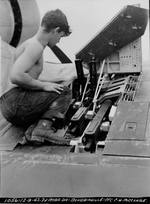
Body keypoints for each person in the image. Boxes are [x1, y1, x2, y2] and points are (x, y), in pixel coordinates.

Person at [0, 9, 72, 145]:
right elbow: (15, 76)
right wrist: (44, 85)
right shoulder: (36, 47)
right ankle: (43, 129)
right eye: (60, 36)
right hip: (15, 102)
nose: (59, 41)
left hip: (9, 105)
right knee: (64, 91)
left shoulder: (30, 44)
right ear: (55, 30)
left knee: (50, 90)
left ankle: (32, 132)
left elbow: (27, 78)